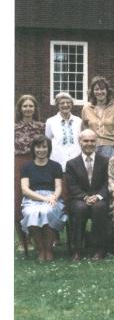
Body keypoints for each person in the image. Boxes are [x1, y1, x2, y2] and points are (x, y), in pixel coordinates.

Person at [65, 129, 111, 261]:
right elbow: (72, 186)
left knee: (99, 208)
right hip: (79, 198)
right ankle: (77, 249)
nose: (89, 143)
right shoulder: (72, 164)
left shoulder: (105, 161)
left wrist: (97, 196)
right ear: (80, 142)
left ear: (96, 142)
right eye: (86, 140)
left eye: (92, 141)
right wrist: (85, 197)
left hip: (99, 197)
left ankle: (99, 248)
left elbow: (108, 183)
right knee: (80, 208)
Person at [20, 135, 67, 262]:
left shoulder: (55, 166)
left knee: (47, 211)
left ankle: (49, 249)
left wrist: (53, 197)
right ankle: (41, 249)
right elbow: (25, 189)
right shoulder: (26, 167)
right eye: (38, 147)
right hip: (32, 198)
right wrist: (43, 198)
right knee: (31, 213)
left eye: (44, 147)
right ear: (33, 149)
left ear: (49, 148)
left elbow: (58, 187)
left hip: (52, 197)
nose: (41, 150)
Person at [15, 94, 45, 243]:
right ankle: (22, 240)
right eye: (25, 106)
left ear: (35, 108)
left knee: (35, 198)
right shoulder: (12, 127)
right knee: (17, 199)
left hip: (36, 164)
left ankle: (36, 236)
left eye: (30, 106)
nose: (28, 109)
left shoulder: (41, 127)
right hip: (17, 164)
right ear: (20, 108)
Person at [81, 76, 114, 158]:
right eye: (96, 89)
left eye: (102, 89)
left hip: (111, 148)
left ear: (107, 91)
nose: (99, 92)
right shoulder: (86, 108)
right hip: (92, 148)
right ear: (92, 92)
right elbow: (84, 130)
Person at [45, 92, 82, 171]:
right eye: (62, 103)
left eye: (68, 102)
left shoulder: (79, 121)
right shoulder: (50, 121)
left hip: (76, 162)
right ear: (58, 105)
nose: (65, 105)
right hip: (57, 161)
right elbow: (47, 142)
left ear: (71, 104)